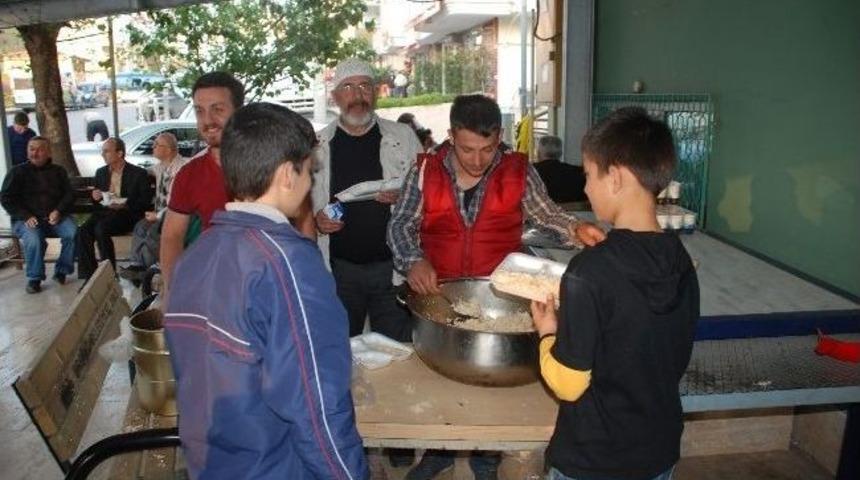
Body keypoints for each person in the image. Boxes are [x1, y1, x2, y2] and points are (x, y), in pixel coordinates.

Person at [386, 94, 602, 480]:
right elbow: (400, 224)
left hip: (499, 299)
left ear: (499, 136)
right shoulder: (425, 168)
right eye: (467, 149)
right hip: (441, 295)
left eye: (487, 149)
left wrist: (574, 229)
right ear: (451, 136)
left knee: (491, 378)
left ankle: (487, 457)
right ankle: (440, 451)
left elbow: (547, 214)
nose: (477, 160)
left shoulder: (519, 169)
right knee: (442, 377)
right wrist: (412, 260)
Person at [164, 102, 368, 479]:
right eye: (309, 170)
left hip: (211, 463)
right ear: (287, 174)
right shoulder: (291, 265)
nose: (310, 183)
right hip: (275, 467)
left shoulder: (195, 257)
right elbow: (316, 406)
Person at [530, 106, 700, 480]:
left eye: (589, 175)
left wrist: (547, 330)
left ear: (617, 178)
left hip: (593, 459)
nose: (585, 186)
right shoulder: (682, 260)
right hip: (657, 451)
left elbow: (568, 383)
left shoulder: (589, 271)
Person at [312, 58, 422, 342]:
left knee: (398, 349)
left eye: (364, 86)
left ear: (375, 92)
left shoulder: (403, 137)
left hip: (393, 270)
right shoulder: (318, 145)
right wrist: (316, 221)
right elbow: (297, 205)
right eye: (347, 87)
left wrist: (406, 195)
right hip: (338, 271)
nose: (357, 95)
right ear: (335, 96)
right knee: (340, 350)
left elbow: (430, 191)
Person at [159, 71, 244, 290]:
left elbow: (302, 222)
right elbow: (172, 238)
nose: (207, 120)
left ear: (239, 111)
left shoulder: (272, 163)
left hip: (270, 290)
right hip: (216, 290)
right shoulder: (189, 174)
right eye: (200, 111)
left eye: (218, 109)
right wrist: (171, 294)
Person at [1, 136, 76, 293]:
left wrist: (58, 211)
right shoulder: (17, 172)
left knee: (74, 233)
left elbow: (69, 195)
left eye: (39, 149)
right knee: (35, 240)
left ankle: (61, 271)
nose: (34, 153)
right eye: (31, 149)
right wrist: (25, 215)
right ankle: (34, 279)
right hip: (27, 220)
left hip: (56, 218)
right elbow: (6, 198)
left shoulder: (58, 172)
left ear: (48, 153)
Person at [76, 137, 152, 281]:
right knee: (82, 231)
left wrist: (125, 204)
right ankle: (90, 276)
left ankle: (109, 275)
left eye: (106, 151)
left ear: (119, 153)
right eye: (102, 151)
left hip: (126, 214)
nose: (103, 154)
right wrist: (95, 196)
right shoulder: (101, 172)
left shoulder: (137, 173)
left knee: (101, 229)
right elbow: (96, 202)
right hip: (104, 213)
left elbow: (145, 201)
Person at [119, 132, 189, 282]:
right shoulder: (161, 167)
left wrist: (158, 216)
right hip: (160, 213)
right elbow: (145, 172)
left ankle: (149, 268)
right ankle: (137, 265)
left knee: (153, 232)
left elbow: (176, 202)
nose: (153, 147)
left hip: (176, 215)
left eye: (157, 145)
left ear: (169, 149)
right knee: (140, 227)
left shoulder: (181, 169)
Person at [533, 135, 587, 203]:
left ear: (538, 153)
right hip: (576, 213)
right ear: (560, 153)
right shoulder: (579, 173)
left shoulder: (529, 173)